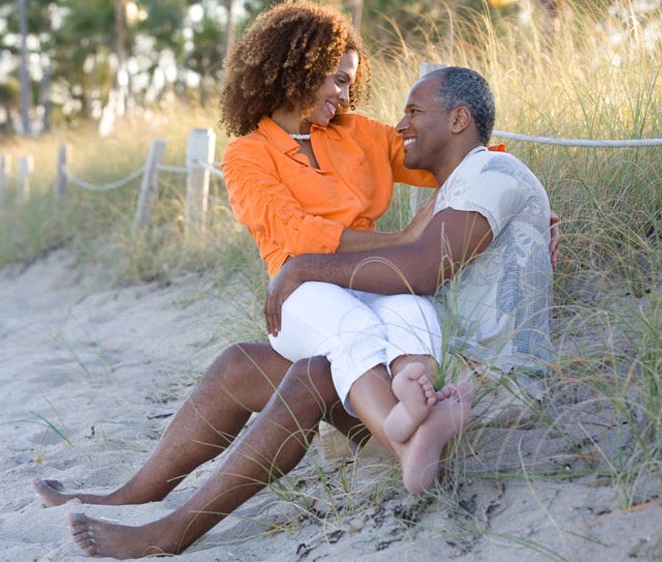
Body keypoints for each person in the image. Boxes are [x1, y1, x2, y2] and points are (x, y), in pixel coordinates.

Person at [33, 4, 555, 558]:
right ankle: (134, 494)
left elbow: (458, 151)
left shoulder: (355, 135)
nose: (345, 96)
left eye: (349, 83)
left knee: (374, 332)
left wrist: (525, 206)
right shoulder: (247, 154)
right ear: (297, 68)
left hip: (367, 285)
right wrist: (395, 242)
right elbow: (295, 232)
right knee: (252, 362)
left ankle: (402, 431)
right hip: (312, 298)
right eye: (336, 79)